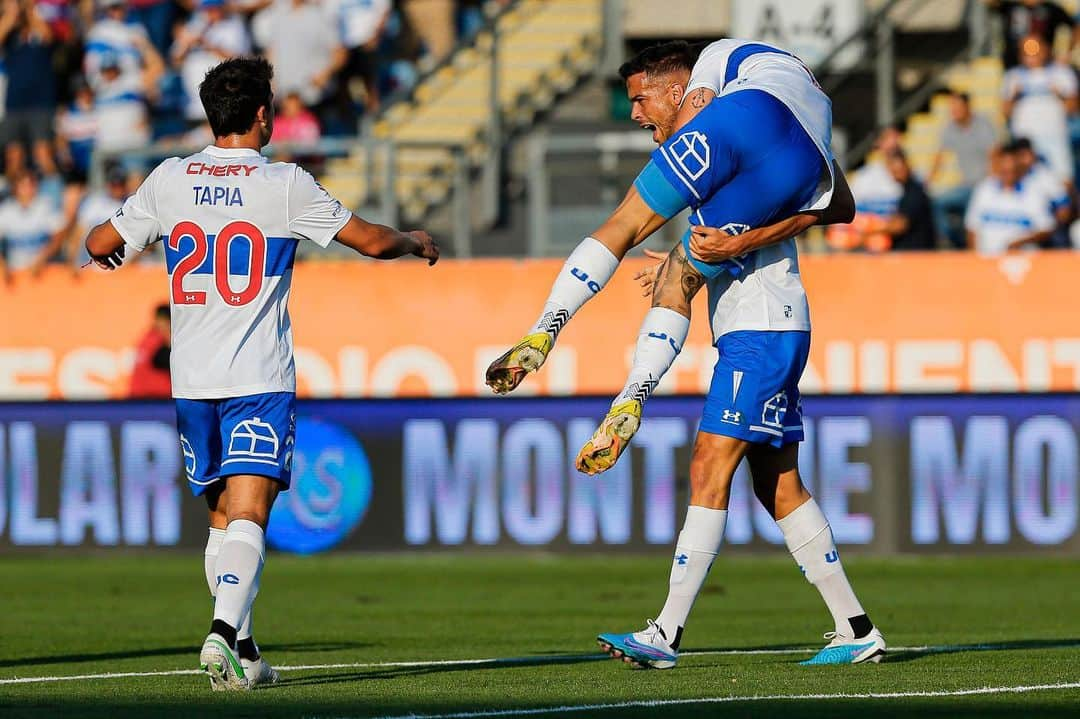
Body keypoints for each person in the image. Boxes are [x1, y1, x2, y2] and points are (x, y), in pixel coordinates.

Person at [486, 39, 883, 668]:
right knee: (777, 483)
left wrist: (726, 238)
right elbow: (838, 203)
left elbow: (703, 101)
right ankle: (856, 628)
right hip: (787, 232)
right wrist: (736, 242)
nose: (637, 115)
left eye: (641, 99)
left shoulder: (711, 85)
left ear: (678, 89)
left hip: (763, 328)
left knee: (707, 464)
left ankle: (665, 633)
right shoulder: (740, 184)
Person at [84, 56, 439, 691]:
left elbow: (99, 244)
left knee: (222, 517)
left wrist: (113, 250)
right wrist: (413, 240)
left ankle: (242, 647)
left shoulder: (169, 178)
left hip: (192, 382)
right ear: (260, 114)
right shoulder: (284, 184)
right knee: (250, 511)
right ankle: (220, 635)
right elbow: (372, 242)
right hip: (256, 375)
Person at [1003, 34, 1078, 183]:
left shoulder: (1061, 72)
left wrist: (1060, 95)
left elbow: (1073, 108)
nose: (1031, 55)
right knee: (1028, 181)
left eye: (1035, 49)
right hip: (1025, 139)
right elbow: (1006, 112)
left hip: (1054, 135)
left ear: (1045, 49)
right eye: (1027, 50)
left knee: (1063, 179)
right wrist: (1014, 97)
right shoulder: (1012, 76)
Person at [929, 91, 999, 248]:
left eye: (957, 107)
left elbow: (994, 155)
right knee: (937, 203)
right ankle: (952, 242)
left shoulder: (982, 125)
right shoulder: (950, 128)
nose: (953, 111)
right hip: (966, 185)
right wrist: (928, 181)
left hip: (983, 185)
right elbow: (940, 158)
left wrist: (990, 187)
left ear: (967, 107)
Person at [0, 0, 60, 179]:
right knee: (13, 157)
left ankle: (53, 195)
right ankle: (10, 200)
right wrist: (11, 14)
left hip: (41, 102)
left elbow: (48, 35)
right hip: (15, 103)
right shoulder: (11, 35)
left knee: (43, 155)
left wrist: (30, 9)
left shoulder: (40, 28)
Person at [172, 0, 252, 125]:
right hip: (192, 106)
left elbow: (240, 59)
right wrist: (186, 45)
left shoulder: (234, 26)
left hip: (222, 102)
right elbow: (175, 61)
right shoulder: (194, 26)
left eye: (214, 9)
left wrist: (207, 44)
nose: (211, 13)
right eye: (207, 10)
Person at [966, 145, 1055, 254]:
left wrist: (1019, 242)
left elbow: (1046, 228)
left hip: (1022, 263)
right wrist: (975, 260)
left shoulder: (1033, 191)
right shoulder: (984, 189)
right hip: (986, 261)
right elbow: (972, 227)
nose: (1009, 174)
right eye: (1005, 171)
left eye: (1012, 170)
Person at [0, 170, 66, 282]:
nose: (28, 190)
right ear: (15, 188)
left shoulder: (45, 206)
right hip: (15, 274)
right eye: (23, 185)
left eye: (31, 185)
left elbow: (59, 235)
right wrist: (3, 265)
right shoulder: (6, 210)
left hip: (44, 272)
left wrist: (42, 258)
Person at [878, 150, 937, 251]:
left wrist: (870, 232)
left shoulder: (914, 192)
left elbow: (899, 225)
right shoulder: (908, 191)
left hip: (915, 255)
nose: (892, 172)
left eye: (896, 168)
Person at [988, 0, 1075, 68]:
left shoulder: (1051, 8)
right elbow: (991, 3)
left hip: (1044, 67)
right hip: (1014, 65)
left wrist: (1068, 51)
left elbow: (1075, 27)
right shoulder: (1011, 6)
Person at [130, 302, 172, 398]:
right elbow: (163, 360)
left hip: (139, 395)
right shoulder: (159, 339)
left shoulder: (147, 337)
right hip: (155, 396)